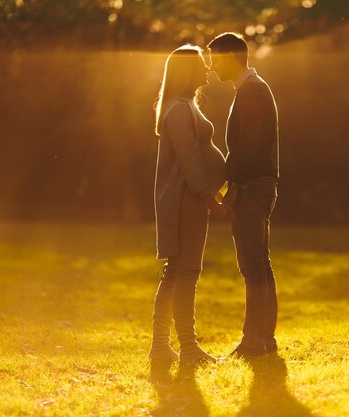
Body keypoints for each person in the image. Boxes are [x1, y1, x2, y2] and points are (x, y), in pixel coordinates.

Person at [149, 45, 229, 370]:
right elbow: (190, 160)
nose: (207, 70)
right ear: (187, 71)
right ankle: (189, 349)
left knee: (175, 273)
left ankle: (160, 348)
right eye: (200, 65)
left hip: (187, 198)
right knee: (185, 273)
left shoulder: (183, 106)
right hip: (186, 200)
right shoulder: (179, 109)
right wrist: (211, 197)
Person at [207, 33, 280, 358]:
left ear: (232, 57)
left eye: (215, 59)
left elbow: (246, 150)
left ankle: (254, 342)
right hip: (255, 186)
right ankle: (263, 340)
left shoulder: (252, 92)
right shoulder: (251, 89)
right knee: (259, 265)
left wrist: (226, 184)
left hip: (253, 188)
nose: (211, 67)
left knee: (253, 266)